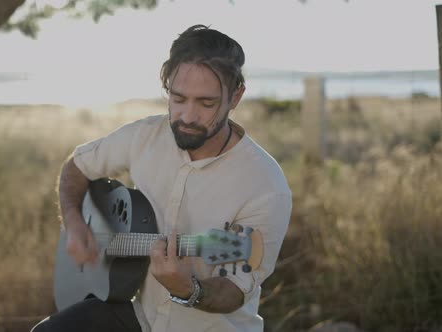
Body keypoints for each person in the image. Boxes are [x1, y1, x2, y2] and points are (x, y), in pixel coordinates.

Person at [31, 24, 292, 332]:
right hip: (140, 318)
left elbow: (233, 291)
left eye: (206, 103)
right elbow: (76, 167)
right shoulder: (145, 136)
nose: (187, 116)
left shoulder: (265, 185)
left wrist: (188, 289)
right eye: (178, 98)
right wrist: (74, 224)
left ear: (235, 97)